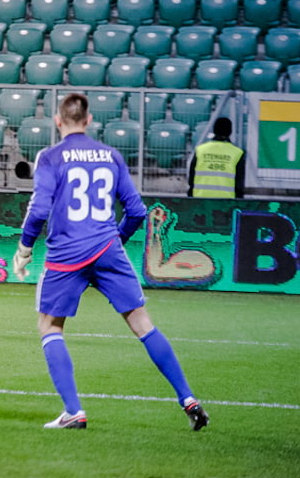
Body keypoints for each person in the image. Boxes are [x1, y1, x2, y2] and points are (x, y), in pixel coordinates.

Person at [12, 93, 209, 431]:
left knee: (50, 327)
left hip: (66, 255)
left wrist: (25, 247)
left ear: (58, 121)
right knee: (143, 325)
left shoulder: (50, 157)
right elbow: (137, 211)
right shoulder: (111, 155)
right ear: (89, 122)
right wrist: (115, 240)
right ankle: (187, 398)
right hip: (107, 249)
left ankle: (73, 411)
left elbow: (39, 210)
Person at [187, 116, 245, 199]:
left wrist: (191, 195)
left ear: (214, 130)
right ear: (230, 132)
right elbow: (239, 183)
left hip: (199, 198)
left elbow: (191, 178)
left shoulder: (200, 150)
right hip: (226, 200)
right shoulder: (237, 153)